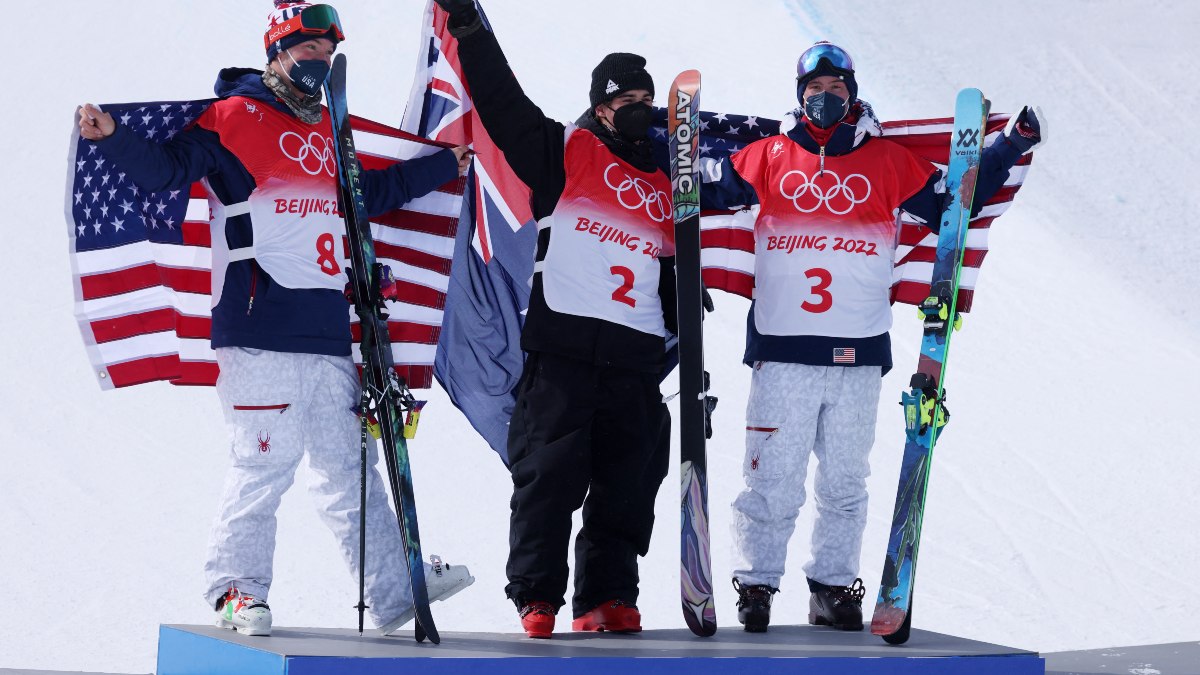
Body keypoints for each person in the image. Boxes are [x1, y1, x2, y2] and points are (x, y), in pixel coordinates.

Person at [77, 1, 475, 637]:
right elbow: (167, 169)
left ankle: (393, 590)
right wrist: (112, 136)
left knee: (351, 469)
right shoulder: (232, 118)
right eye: (307, 50)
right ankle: (236, 590)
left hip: (326, 330)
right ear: (277, 51)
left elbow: (369, 196)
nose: (319, 61)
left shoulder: (329, 131)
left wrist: (440, 165)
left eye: (327, 52)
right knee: (264, 464)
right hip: (259, 328)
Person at [701, 41, 1045, 632]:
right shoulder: (767, 156)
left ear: (853, 95)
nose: (826, 98)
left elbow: (953, 206)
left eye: (837, 90)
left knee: (844, 480)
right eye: (815, 90)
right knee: (770, 478)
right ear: (799, 96)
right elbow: (697, 196)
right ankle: (756, 586)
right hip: (784, 353)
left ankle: (832, 587)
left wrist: (1009, 146)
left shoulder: (888, 162)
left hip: (858, 354)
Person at [432, 0, 679, 639]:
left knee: (629, 481)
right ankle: (537, 596)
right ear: (601, 107)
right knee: (548, 477)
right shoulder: (564, 152)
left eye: (647, 97)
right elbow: (504, 106)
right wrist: (471, 33)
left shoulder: (670, 182)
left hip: (635, 355)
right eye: (626, 98)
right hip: (565, 348)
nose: (640, 106)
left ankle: (607, 596)